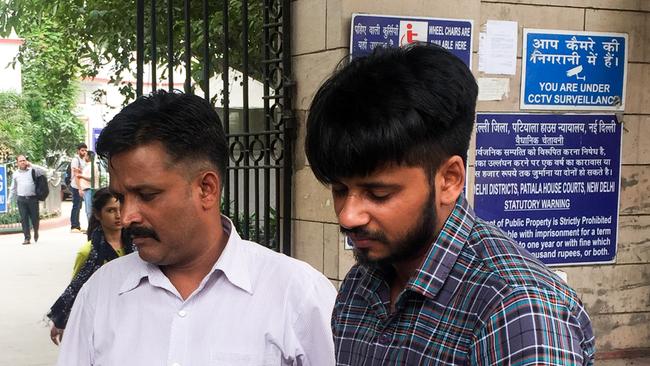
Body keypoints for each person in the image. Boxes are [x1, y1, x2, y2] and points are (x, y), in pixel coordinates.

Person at [305, 44, 596, 365]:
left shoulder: (515, 309)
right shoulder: (364, 281)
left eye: (379, 194)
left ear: (449, 179)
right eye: (339, 190)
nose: (348, 215)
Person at [57, 91, 337, 365]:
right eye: (120, 198)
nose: (127, 216)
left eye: (147, 195)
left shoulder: (298, 296)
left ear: (207, 189)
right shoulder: (100, 295)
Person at [47, 187, 133, 345]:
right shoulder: (88, 252)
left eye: (121, 209)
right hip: (101, 323)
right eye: (111, 210)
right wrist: (62, 320)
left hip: (133, 317)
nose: (118, 215)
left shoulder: (138, 248)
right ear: (98, 214)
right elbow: (76, 290)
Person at [9, 155, 45, 244]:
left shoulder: (33, 170)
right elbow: (13, 188)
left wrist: (31, 164)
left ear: (26, 161)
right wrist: (9, 200)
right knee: (24, 219)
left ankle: (36, 231)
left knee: (35, 219)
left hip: (33, 199)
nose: (22, 162)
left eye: (24, 160)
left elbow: (43, 171)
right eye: (20, 161)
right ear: (17, 163)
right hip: (21, 199)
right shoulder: (15, 174)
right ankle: (27, 238)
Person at [77, 151, 100, 221]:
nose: (85, 156)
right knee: (88, 210)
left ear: (89, 157)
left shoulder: (92, 166)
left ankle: (91, 228)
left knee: (89, 210)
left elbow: (91, 178)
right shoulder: (89, 166)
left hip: (90, 190)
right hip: (87, 190)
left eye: (86, 155)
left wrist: (81, 176)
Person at [69, 143, 88, 233]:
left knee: (79, 206)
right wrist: (79, 188)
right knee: (76, 205)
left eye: (85, 150)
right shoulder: (75, 160)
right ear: (78, 151)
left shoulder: (84, 160)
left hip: (82, 186)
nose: (84, 152)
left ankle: (78, 226)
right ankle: (74, 226)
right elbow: (76, 175)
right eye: (82, 150)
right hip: (76, 186)